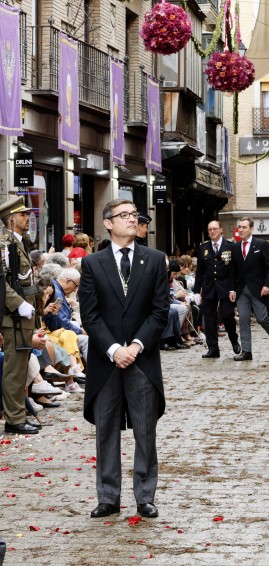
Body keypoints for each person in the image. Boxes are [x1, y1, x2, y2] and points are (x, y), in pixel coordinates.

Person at [79, 199, 170, 519]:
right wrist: (113, 349)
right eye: (125, 215)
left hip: (142, 360)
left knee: (145, 429)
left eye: (135, 215)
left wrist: (136, 346)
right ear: (108, 223)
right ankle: (108, 496)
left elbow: (160, 312)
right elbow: (90, 316)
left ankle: (145, 495)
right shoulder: (92, 263)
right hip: (106, 362)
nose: (132, 220)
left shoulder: (156, 260)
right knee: (105, 429)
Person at [1, 196, 46, 435]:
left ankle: (18, 414)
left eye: (27, 215)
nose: (28, 218)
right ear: (11, 219)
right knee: (14, 370)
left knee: (20, 368)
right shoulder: (4, 243)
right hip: (14, 316)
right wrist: (18, 304)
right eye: (22, 215)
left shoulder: (19, 241)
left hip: (24, 316)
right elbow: (2, 282)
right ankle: (14, 418)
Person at [231, 217, 269, 361]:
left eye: (244, 227)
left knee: (262, 318)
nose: (241, 230)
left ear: (252, 229)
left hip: (258, 290)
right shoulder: (235, 247)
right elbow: (233, 271)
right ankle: (247, 351)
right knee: (244, 319)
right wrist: (232, 289)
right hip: (241, 291)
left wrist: (267, 285)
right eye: (239, 227)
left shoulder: (261, 244)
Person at [193, 220, 240, 358]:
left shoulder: (230, 246)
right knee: (209, 318)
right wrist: (196, 291)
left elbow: (234, 271)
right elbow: (200, 272)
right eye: (210, 229)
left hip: (226, 287)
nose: (212, 231)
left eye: (214, 229)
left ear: (221, 230)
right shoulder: (203, 248)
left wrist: (233, 288)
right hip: (209, 287)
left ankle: (234, 340)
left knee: (227, 315)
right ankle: (213, 348)